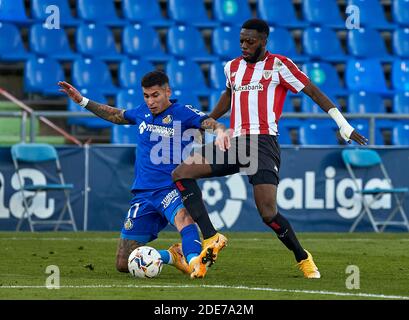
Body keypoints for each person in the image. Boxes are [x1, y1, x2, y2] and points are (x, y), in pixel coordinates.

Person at [172, 19, 368, 279]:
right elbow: (230, 96)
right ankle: (211, 237)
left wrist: (342, 125)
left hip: (263, 144)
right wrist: (207, 120)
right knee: (181, 173)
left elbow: (313, 91)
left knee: (267, 213)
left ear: (264, 41)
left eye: (250, 41)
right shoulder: (232, 67)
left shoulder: (279, 65)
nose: (244, 45)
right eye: (241, 40)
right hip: (235, 141)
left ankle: (302, 257)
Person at [58, 70, 230, 278]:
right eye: (146, 96)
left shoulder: (182, 112)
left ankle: (195, 263)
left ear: (168, 92)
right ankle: (173, 255)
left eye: (155, 95)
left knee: (184, 218)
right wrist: (83, 101)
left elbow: (207, 122)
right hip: (143, 194)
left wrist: (219, 130)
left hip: (171, 187)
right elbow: (114, 115)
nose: (150, 101)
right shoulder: (142, 112)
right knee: (124, 262)